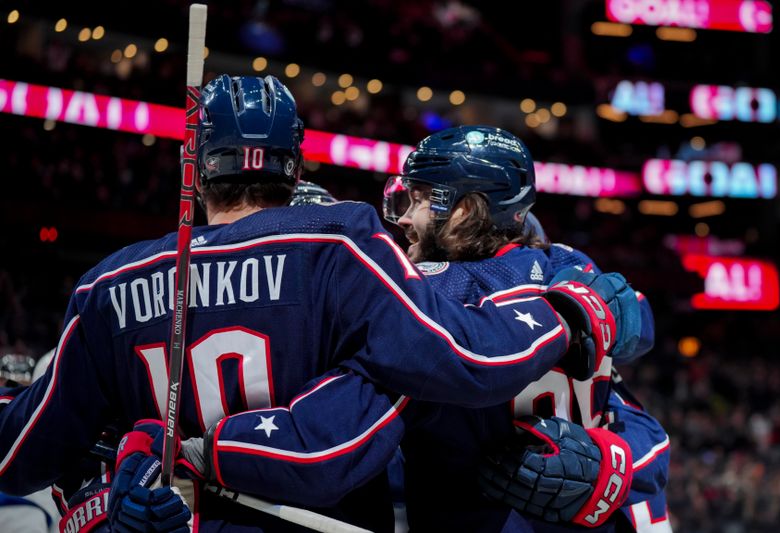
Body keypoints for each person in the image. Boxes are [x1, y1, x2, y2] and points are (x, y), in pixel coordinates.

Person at [0, 76, 640, 531]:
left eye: (415, 196)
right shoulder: (345, 244)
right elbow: (430, 375)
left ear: (194, 167)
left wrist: (132, 463)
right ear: (293, 165)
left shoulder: (107, 283)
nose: (402, 217)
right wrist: (579, 317)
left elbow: (20, 451)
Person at [381, 125, 670, 531]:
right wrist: (614, 464)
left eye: (421, 199)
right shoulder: (577, 266)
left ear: (465, 209)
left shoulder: (433, 286)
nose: (406, 218)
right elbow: (640, 339)